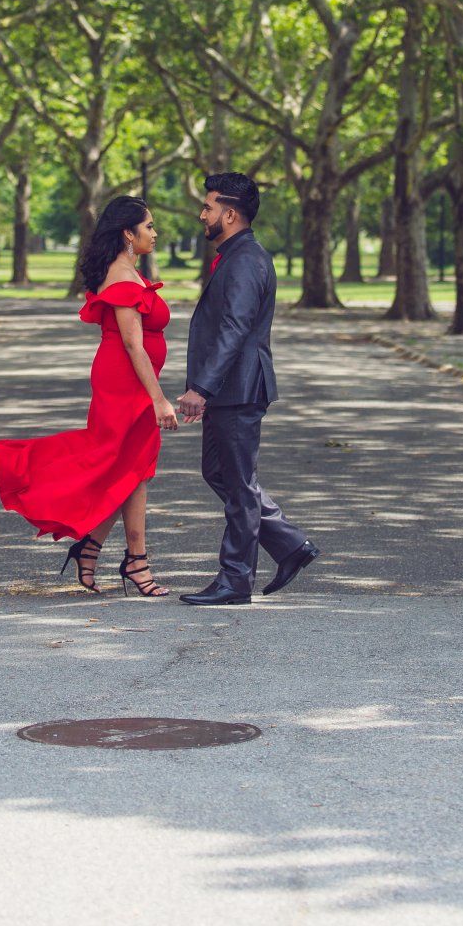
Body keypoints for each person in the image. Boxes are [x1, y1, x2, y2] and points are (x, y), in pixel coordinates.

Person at [0, 196, 178, 598]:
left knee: (130, 469)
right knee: (119, 464)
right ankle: (133, 559)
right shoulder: (123, 280)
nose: (155, 232)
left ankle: (102, 551)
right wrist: (158, 398)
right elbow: (134, 346)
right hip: (124, 382)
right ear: (128, 234)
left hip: (129, 379)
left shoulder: (128, 273)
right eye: (149, 225)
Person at [174, 173, 323, 607]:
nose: (202, 214)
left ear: (230, 213)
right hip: (230, 388)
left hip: (237, 387)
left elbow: (234, 329)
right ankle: (291, 545)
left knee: (238, 484)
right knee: (221, 474)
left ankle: (235, 580)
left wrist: (201, 387)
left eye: (208, 208)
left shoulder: (245, 259)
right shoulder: (235, 255)